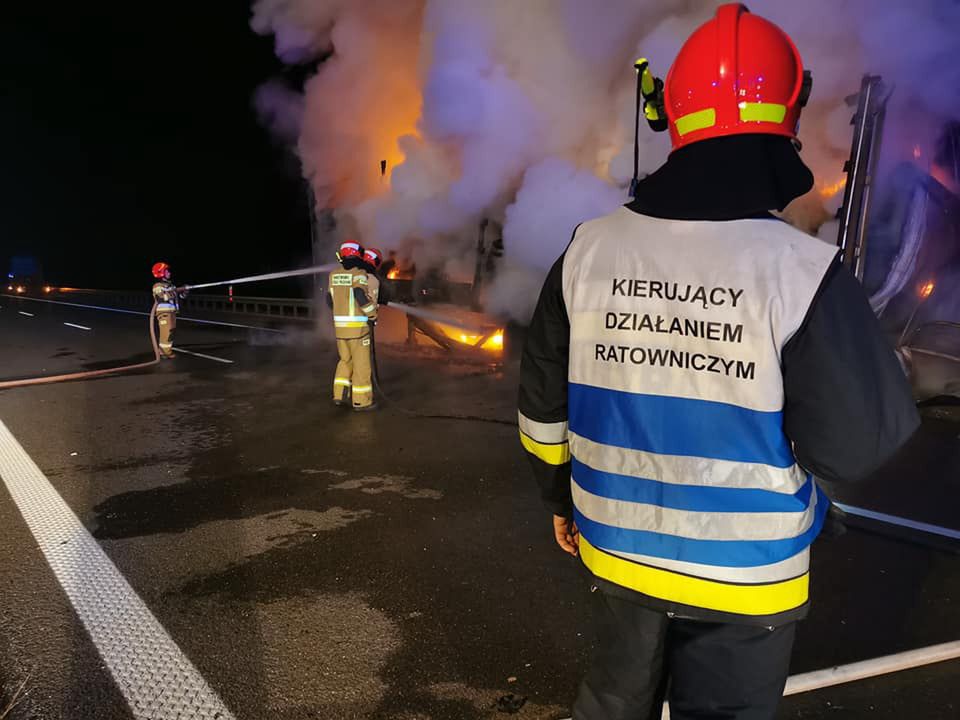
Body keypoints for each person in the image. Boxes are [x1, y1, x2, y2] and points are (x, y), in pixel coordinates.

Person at [517, 5, 919, 719]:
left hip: (614, 547)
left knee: (613, 701)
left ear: (673, 116)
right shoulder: (804, 272)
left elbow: (543, 407)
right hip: (746, 577)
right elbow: (856, 443)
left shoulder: (587, 249)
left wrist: (559, 496)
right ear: (786, 115)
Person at [327, 241, 380, 411]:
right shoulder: (359, 274)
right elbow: (359, 294)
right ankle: (361, 402)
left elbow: (329, 300)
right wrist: (372, 315)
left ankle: (339, 395)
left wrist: (340, 312)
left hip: (340, 330)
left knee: (344, 361)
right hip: (358, 330)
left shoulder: (334, 275)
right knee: (362, 366)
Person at [151, 261, 185, 359]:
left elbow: (180, 297)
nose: (169, 273)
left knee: (171, 332)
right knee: (167, 331)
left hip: (172, 312)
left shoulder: (171, 286)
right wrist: (176, 291)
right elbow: (160, 298)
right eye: (167, 271)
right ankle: (166, 352)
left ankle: (163, 351)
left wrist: (184, 291)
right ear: (161, 273)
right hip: (164, 312)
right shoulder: (158, 286)